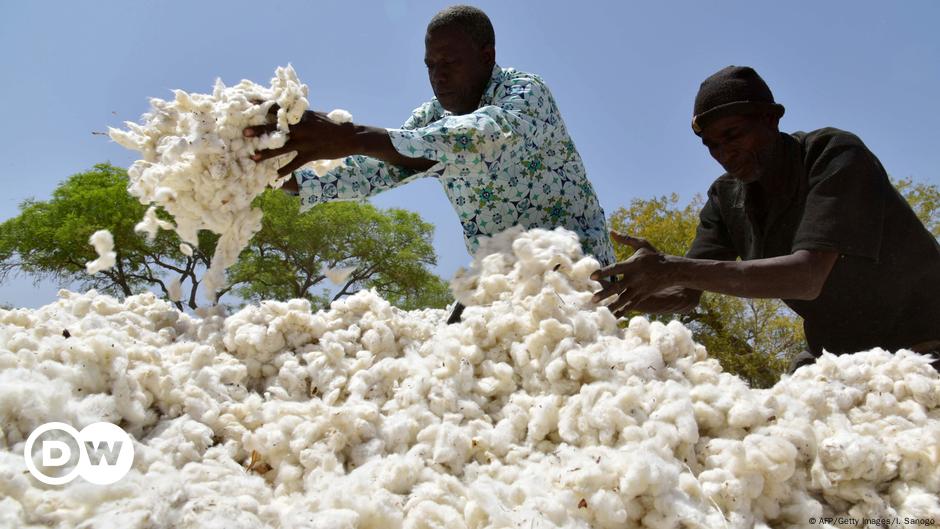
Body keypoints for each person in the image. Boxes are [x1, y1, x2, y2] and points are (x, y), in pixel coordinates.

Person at [245, 5, 614, 322]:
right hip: (501, 277)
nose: (438, 75)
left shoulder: (524, 93)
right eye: (430, 65)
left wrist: (350, 136)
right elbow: (381, 167)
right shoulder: (431, 117)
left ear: (486, 56)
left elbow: (479, 138)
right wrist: (279, 173)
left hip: (575, 268)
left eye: (450, 62)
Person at [591, 65, 940, 372]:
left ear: (771, 118)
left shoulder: (833, 155)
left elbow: (807, 277)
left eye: (733, 135)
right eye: (711, 145)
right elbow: (686, 292)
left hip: (924, 343)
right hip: (837, 358)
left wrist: (671, 267)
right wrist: (613, 294)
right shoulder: (725, 197)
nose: (724, 153)